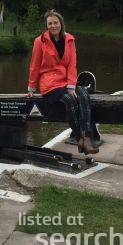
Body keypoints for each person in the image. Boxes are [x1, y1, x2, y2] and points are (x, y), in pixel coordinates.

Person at [26, 10, 98, 155]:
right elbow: (35, 65)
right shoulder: (40, 41)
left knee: (84, 95)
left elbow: (72, 65)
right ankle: (79, 137)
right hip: (50, 84)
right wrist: (32, 88)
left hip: (66, 81)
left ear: (61, 23)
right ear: (46, 26)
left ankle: (86, 138)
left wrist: (71, 86)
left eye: (55, 22)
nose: (53, 26)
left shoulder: (69, 39)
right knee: (70, 100)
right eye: (50, 23)